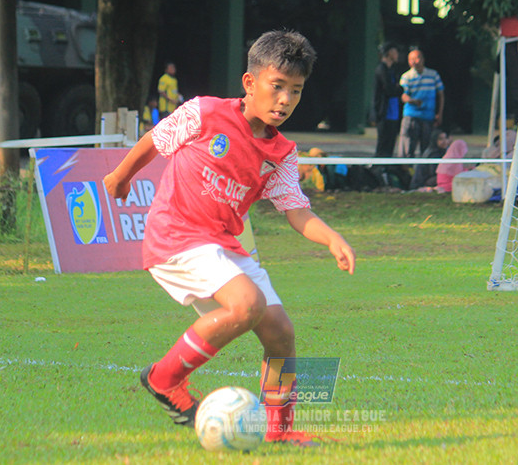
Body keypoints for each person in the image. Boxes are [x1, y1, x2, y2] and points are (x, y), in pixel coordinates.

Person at [103, 30, 356, 445]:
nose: (285, 100)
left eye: (296, 91)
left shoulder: (282, 153)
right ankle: (164, 379)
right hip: (177, 235)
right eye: (277, 87)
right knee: (248, 304)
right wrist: (120, 175)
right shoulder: (204, 112)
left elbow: (296, 208)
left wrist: (330, 239)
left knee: (280, 330)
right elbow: (155, 139)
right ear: (250, 83)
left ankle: (279, 431)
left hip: (223, 244)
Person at [397, 48, 445, 158]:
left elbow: (441, 94)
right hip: (411, 115)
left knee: (427, 149)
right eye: (411, 59)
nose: (414, 61)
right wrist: (412, 101)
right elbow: (403, 95)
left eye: (416, 58)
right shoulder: (406, 76)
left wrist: (439, 113)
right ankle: (406, 171)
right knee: (407, 148)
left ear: (422, 59)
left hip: (428, 116)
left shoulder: (433, 75)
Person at [373, 42, 402, 158]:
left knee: (390, 144)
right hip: (384, 113)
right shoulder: (382, 69)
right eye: (395, 52)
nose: (397, 55)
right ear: (389, 53)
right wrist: (400, 88)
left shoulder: (391, 70)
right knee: (383, 144)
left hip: (393, 113)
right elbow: (390, 90)